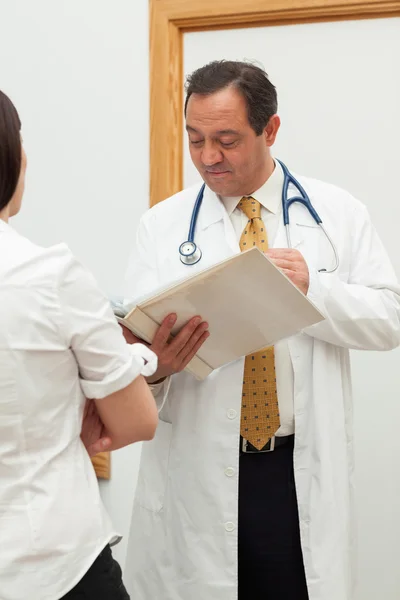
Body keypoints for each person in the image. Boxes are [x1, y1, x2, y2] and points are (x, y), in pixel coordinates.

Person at [122, 61, 400, 600]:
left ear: (270, 130)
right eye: (195, 139)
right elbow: (137, 359)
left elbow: (388, 320)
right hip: (198, 472)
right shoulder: (162, 225)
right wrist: (158, 364)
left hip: (294, 472)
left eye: (227, 140)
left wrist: (313, 289)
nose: (208, 157)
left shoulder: (337, 213)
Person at [0, 89, 159, 600]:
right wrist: (128, 362)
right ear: (15, 160)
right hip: (53, 565)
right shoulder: (48, 276)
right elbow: (135, 421)